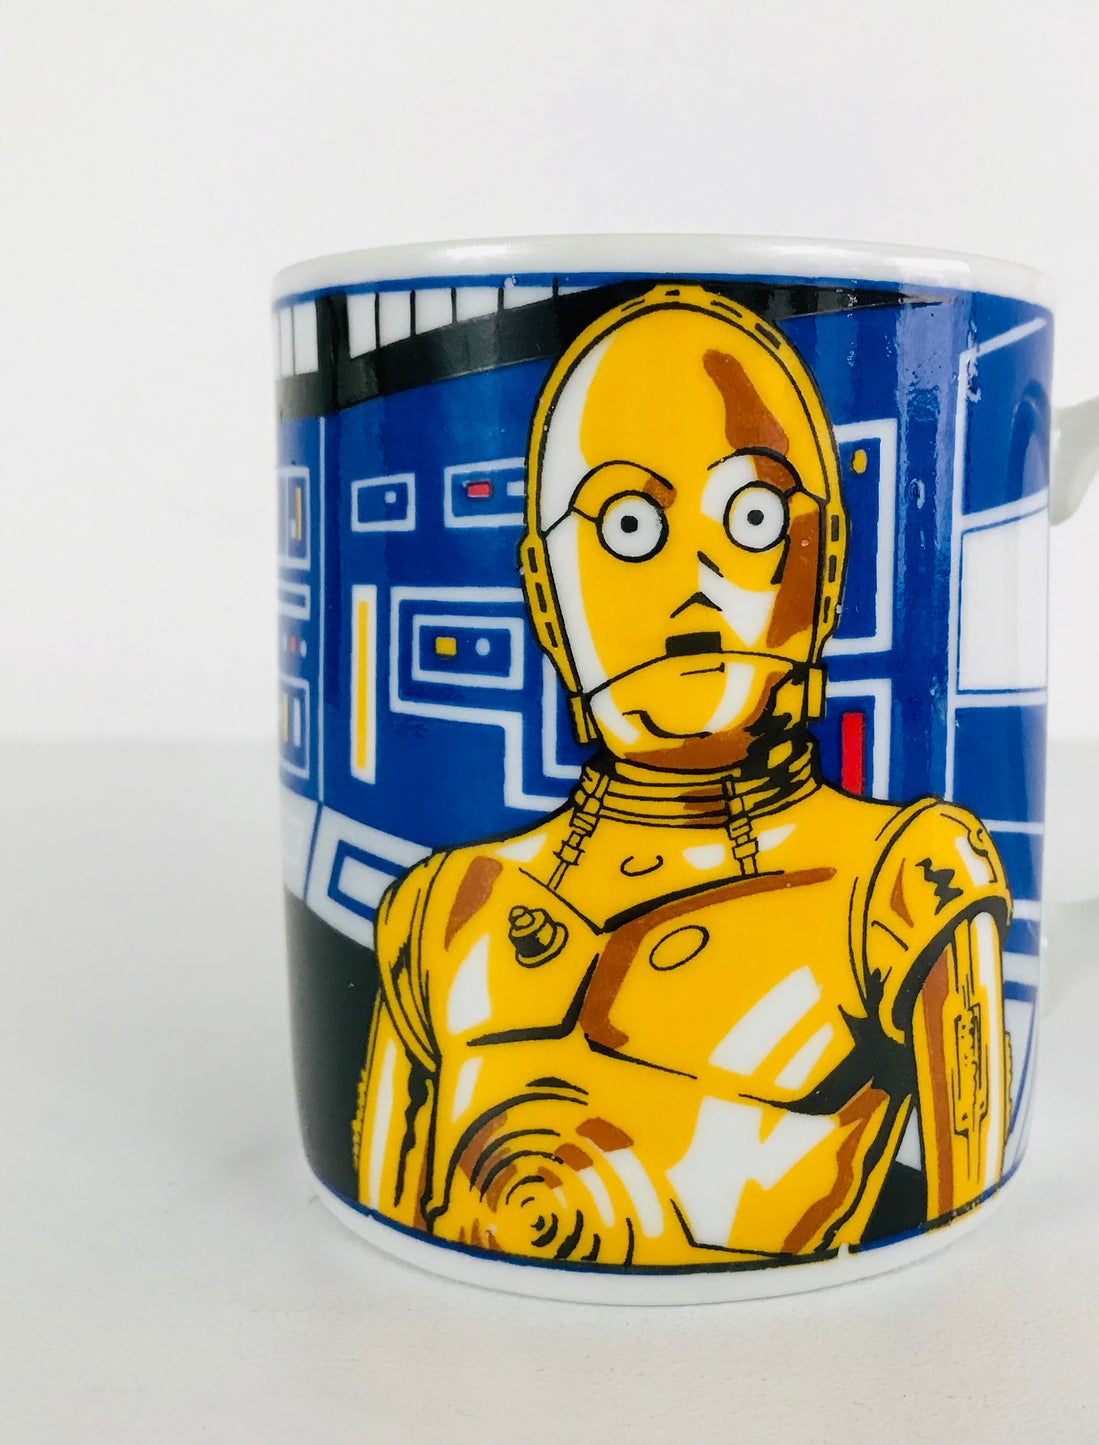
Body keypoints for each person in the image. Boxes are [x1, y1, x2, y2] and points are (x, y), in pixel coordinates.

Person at [354, 284, 1012, 1269]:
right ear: (544, 589)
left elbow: (974, 1236)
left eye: (751, 515)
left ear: (825, 562)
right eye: (626, 524)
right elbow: (382, 1213)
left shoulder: (899, 884)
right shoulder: (440, 907)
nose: (691, 582)